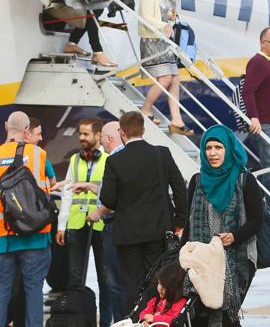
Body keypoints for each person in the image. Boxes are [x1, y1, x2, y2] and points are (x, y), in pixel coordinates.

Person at [92, 111, 187, 310]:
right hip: (159, 231)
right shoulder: (162, 154)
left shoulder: (114, 161)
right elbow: (180, 188)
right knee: (158, 280)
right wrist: (179, 222)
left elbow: (108, 199)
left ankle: (136, 319)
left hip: (128, 235)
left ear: (122, 133)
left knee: (132, 285)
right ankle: (156, 317)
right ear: (143, 130)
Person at [0, 111, 57, 327]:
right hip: (35, 235)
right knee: (33, 288)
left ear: (6, 126)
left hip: (3, 237)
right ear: (27, 130)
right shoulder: (38, 155)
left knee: (2, 286)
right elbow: (51, 181)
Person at [184, 126, 264, 327]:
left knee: (227, 315)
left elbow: (257, 220)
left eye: (218, 147)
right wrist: (182, 258)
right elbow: (189, 221)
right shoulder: (197, 181)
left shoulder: (245, 180)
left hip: (235, 259)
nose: (212, 153)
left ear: (229, 148)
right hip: (201, 260)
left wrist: (235, 236)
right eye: (208, 148)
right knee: (198, 316)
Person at [56, 118, 119, 327]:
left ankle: (106, 323)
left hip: (101, 225)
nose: (82, 138)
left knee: (106, 279)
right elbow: (67, 194)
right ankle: (76, 320)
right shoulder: (74, 160)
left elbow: (112, 191)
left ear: (98, 135)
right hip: (76, 224)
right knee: (75, 279)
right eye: (80, 134)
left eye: (86, 134)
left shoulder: (109, 159)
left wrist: (92, 186)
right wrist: (61, 225)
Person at [241, 26, 270, 262]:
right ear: (263, 43)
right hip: (264, 125)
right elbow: (249, 91)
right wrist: (255, 118)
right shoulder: (258, 63)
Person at [138, 0, 192, 135]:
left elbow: (159, 14)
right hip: (151, 41)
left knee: (175, 78)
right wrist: (164, 25)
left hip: (162, 40)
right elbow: (146, 16)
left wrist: (170, 15)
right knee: (166, 79)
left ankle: (176, 120)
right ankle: (145, 109)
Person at [97, 121, 129, 322]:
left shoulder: (113, 160)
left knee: (115, 283)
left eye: (101, 137)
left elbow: (113, 199)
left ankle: (119, 322)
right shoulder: (128, 158)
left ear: (109, 138)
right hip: (127, 226)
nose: (100, 141)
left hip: (113, 226)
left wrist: (98, 212)